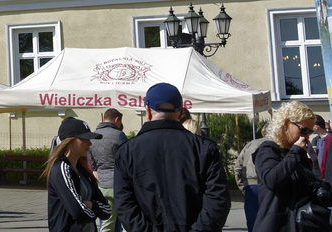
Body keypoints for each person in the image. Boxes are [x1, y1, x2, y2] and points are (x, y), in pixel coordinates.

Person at [113, 83, 230, 232]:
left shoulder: (127, 152)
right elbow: (218, 200)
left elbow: (125, 204)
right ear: (181, 113)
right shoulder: (204, 148)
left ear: (147, 111)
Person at [254, 101, 324, 232]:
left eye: (310, 132)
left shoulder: (298, 152)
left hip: (301, 225)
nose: (306, 136)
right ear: (286, 124)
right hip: (277, 225)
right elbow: (272, 180)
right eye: (304, 130)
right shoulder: (268, 150)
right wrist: (296, 152)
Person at [46, 117, 111, 232]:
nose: (90, 143)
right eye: (84, 138)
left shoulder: (84, 171)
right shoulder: (61, 169)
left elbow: (107, 210)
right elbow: (78, 212)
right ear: (70, 140)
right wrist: (95, 212)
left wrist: (92, 205)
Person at [87, 109, 127, 232]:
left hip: (102, 185)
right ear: (116, 119)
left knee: (106, 224)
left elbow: (92, 165)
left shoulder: (92, 137)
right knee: (126, 222)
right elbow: (126, 160)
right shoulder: (119, 135)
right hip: (120, 185)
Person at [236, 134, 263, 232]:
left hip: (251, 185)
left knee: (252, 221)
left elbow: (238, 167)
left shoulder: (251, 144)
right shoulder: (278, 144)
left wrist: (242, 186)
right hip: (267, 185)